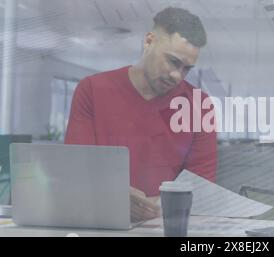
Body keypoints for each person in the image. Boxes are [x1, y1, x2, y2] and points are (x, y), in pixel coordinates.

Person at [65, 7, 217, 222]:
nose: (177, 75)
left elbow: (201, 187)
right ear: (149, 41)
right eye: (173, 62)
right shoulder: (92, 90)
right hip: (100, 223)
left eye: (186, 69)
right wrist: (114, 198)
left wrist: (146, 207)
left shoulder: (199, 106)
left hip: (165, 226)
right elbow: (76, 170)